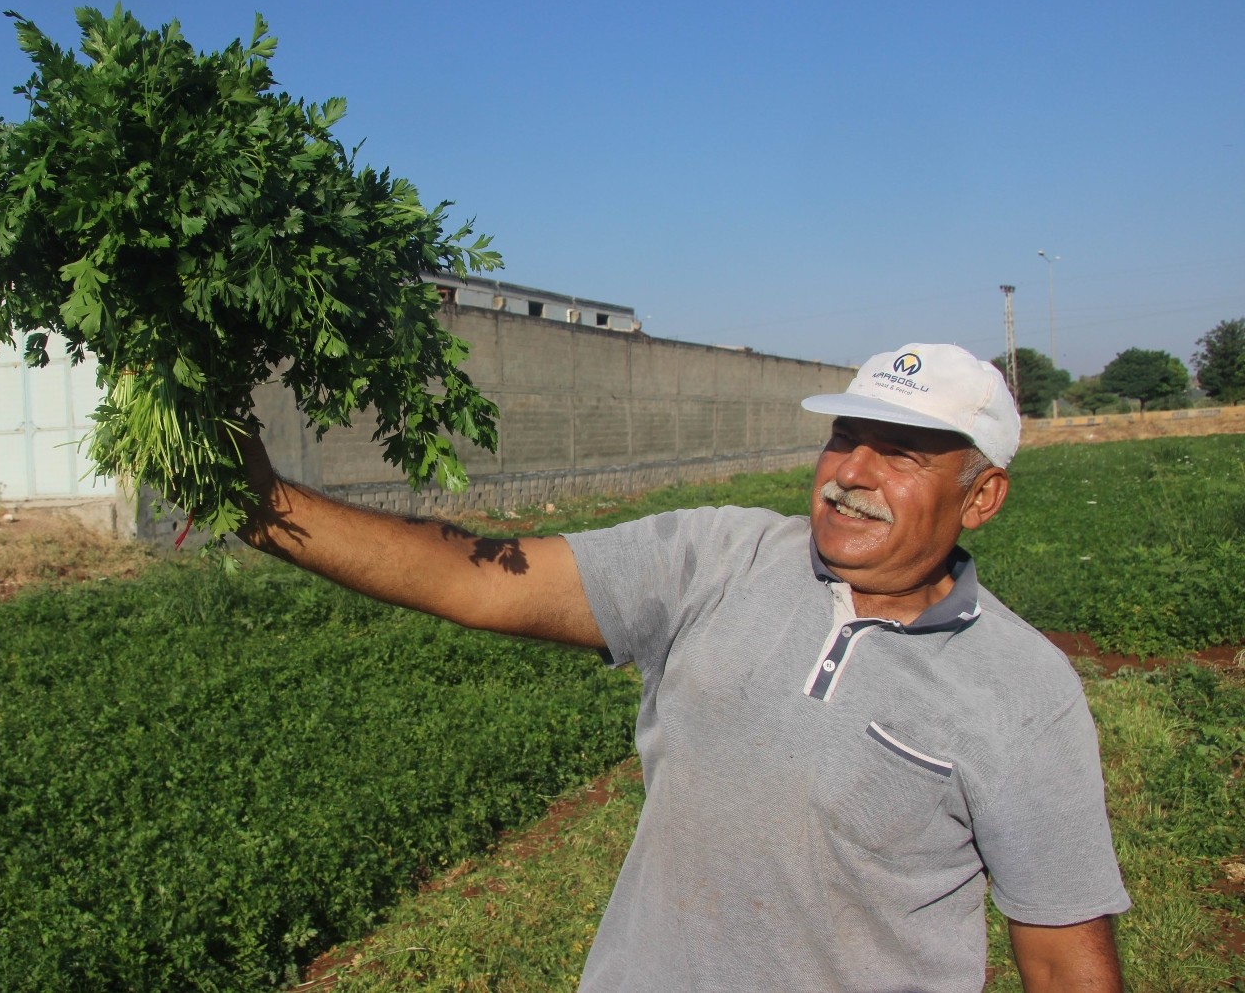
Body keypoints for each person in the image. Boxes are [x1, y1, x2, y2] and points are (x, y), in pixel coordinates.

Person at [235, 342, 1129, 992]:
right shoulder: (718, 558)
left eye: (899, 452)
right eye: (843, 437)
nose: (849, 472)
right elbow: (476, 579)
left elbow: (1060, 955)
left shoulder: (1022, 693)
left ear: (981, 495)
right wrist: (259, 504)